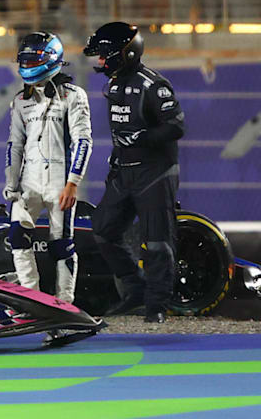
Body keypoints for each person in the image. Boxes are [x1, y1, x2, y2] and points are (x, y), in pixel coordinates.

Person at [83, 22, 185, 324]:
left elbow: (177, 126)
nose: (99, 62)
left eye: (104, 55)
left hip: (155, 173)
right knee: (103, 230)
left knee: (156, 241)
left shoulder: (154, 85)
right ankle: (135, 290)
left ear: (124, 53)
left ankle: (157, 307)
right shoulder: (114, 84)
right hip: (124, 172)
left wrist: (142, 138)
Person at [3, 32, 92, 305]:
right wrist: (10, 182)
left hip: (59, 182)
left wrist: (72, 182)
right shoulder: (20, 101)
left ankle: (65, 304)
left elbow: (83, 141)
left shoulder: (73, 96)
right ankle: (31, 300)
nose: (27, 66)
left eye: (33, 61)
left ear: (51, 59)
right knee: (17, 237)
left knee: (61, 245)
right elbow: (14, 145)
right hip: (27, 182)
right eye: (24, 61)